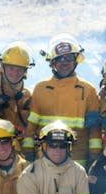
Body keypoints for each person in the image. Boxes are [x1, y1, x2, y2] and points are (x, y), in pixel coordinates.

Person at [22, 33, 101, 168]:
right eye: (59, 58)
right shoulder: (40, 89)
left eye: (69, 57)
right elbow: (31, 127)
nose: (64, 62)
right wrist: (29, 154)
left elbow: (94, 131)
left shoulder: (89, 91)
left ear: (76, 60)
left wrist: (94, 159)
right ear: (52, 62)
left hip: (77, 163)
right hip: (44, 161)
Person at [0, 41, 34, 149]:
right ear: (2, 67)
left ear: (25, 71)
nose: (15, 73)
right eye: (11, 68)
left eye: (20, 69)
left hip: (20, 155)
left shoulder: (28, 95)